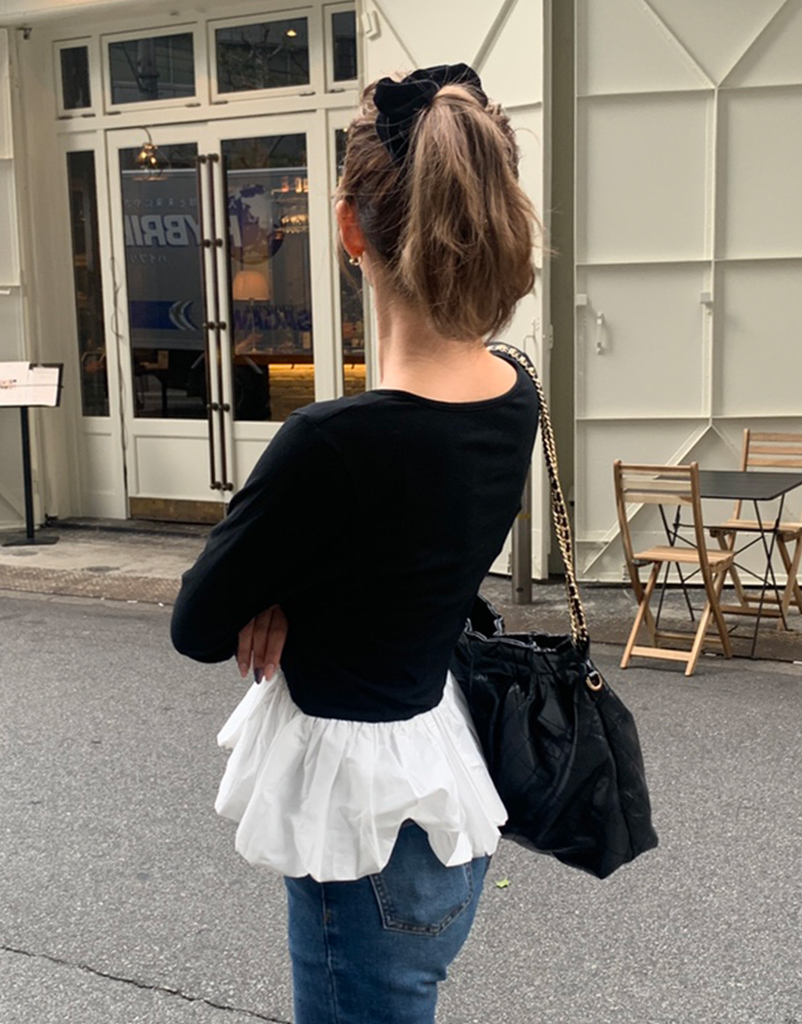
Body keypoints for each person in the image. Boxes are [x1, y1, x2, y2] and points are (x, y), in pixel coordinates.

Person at [171, 63, 540, 1024]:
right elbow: (406, 547)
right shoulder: (514, 393)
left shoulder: (331, 444)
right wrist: (298, 586)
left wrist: (276, 587)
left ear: (349, 230)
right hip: (442, 788)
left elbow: (197, 624)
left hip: (365, 827)